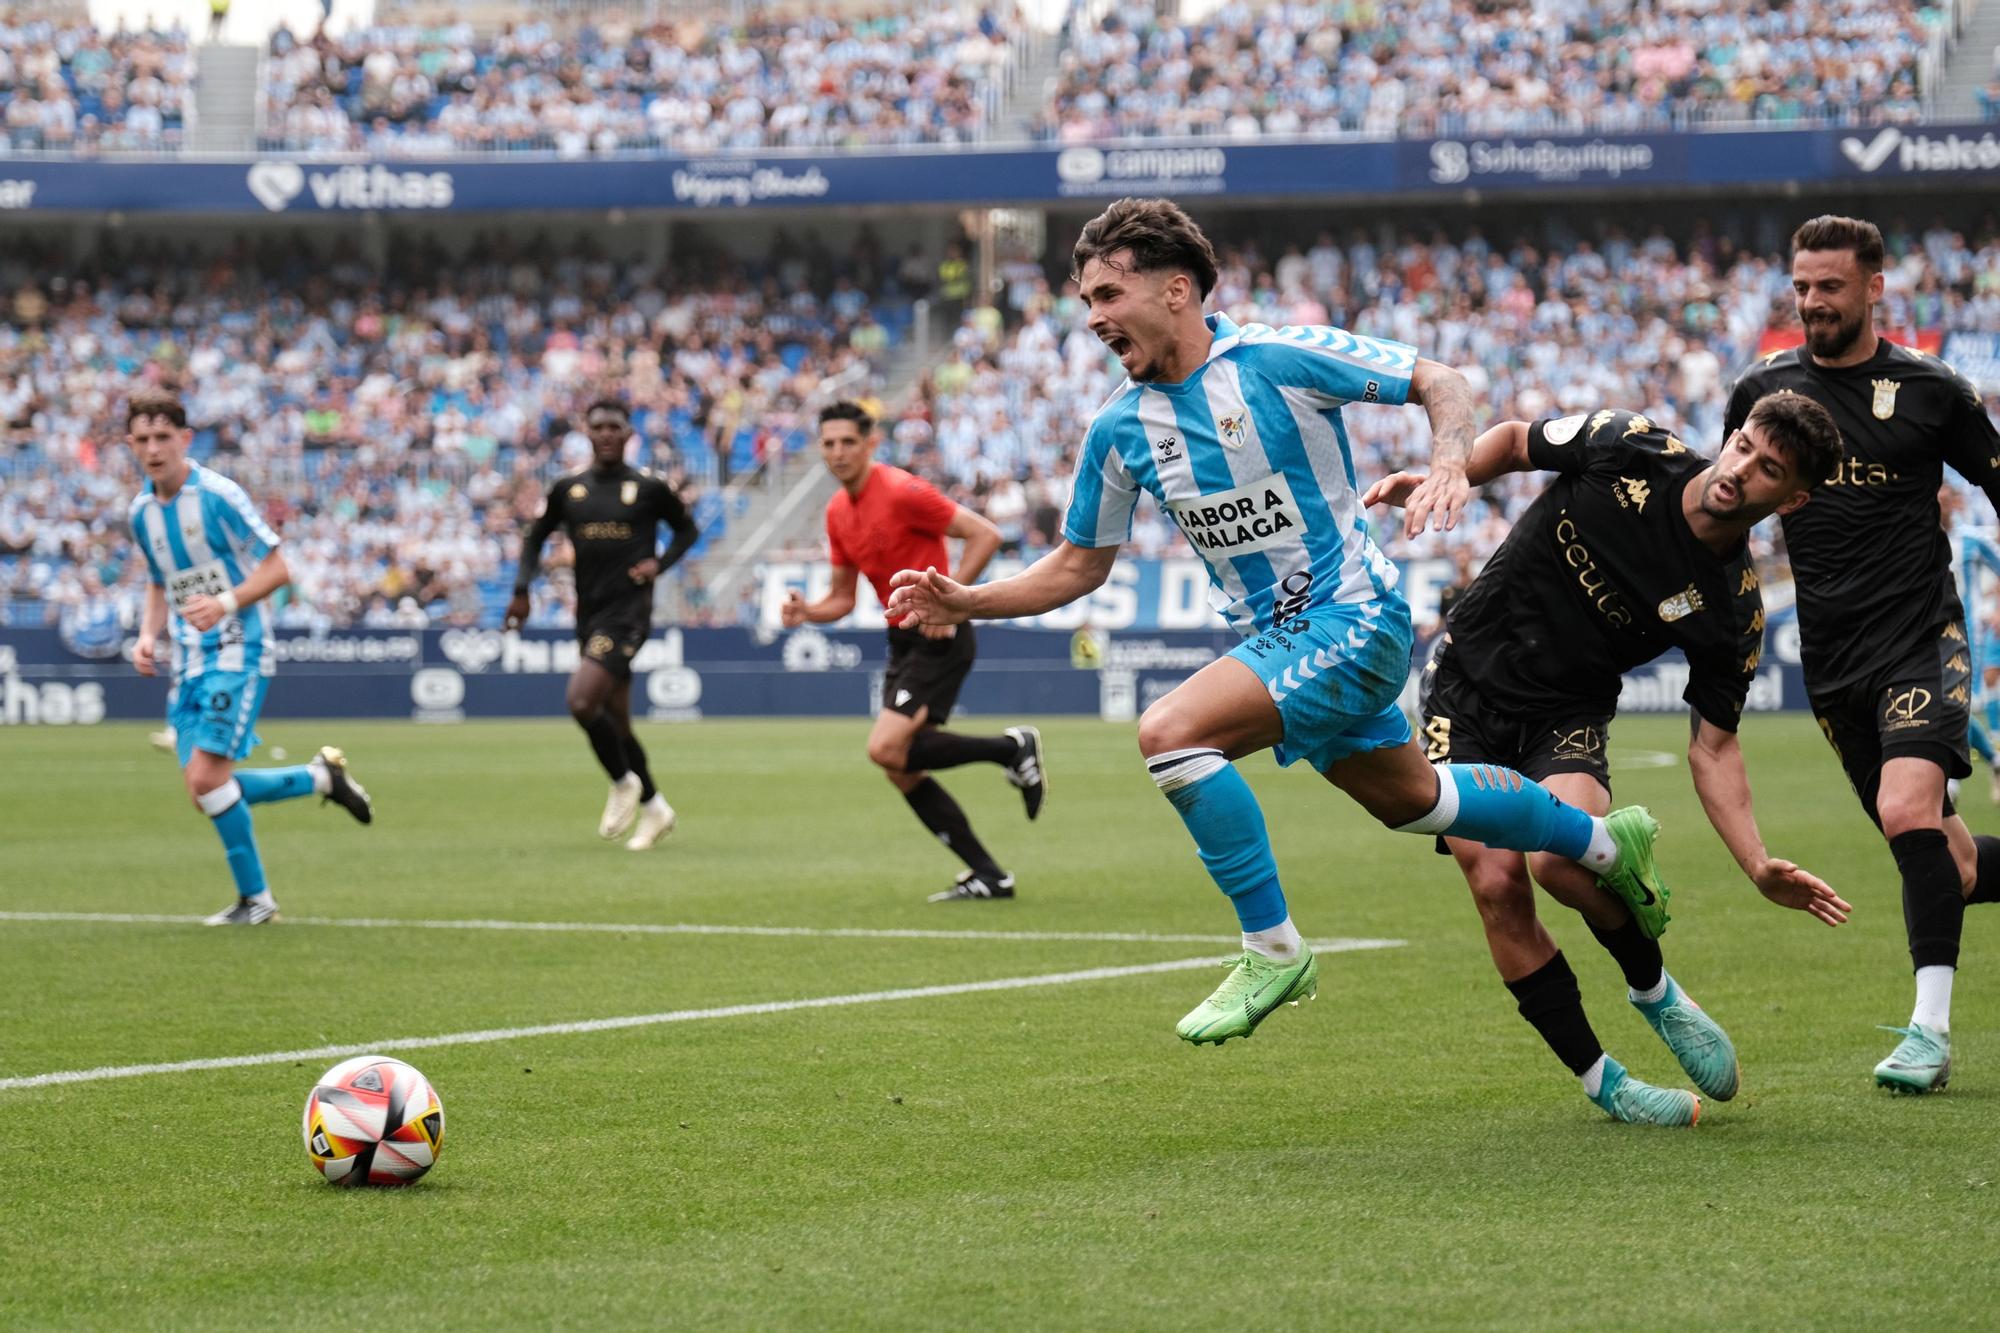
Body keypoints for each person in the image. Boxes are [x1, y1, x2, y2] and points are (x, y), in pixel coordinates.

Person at [888, 197, 1674, 1047]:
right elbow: (1080, 564)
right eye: (1085, 302)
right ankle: (1604, 844)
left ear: (1177, 290)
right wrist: (971, 599)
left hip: (1354, 616)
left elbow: (1439, 381)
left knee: (1172, 733)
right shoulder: (1120, 429)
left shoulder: (1273, 357)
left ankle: (1273, 946)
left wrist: (1450, 461)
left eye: (1109, 294)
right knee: (1424, 802)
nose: (1094, 318)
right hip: (1282, 642)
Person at [1365, 396, 1851, 1124]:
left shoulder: (1731, 609)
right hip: (1463, 687)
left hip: (1566, 711)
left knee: (1563, 860)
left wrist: (1756, 862)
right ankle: (1606, 1083)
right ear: (1732, 436)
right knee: (1498, 881)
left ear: (1794, 497)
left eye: (1768, 469)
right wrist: (1449, 474)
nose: (1742, 469)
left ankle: (1657, 993)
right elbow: (1517, 442)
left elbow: (1714, 746)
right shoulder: (1630, 446)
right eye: (1744, 446)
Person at [1725, 214, 2000, 1092]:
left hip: (1921, 634)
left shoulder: (1931, 391)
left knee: (1907, 809)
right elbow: (1723, 503)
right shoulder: (1765, 392)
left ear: (1874, 287)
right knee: (1949, 863)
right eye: (1802, 287)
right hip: (1832, 662)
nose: (1813, 303)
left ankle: (1929, 1032)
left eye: (1831, 287)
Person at [782, 400, 1046, 902]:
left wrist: (950, 603)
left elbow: (984, 535)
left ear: (871, 443)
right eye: (829, 443)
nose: (838, 452)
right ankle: (990, 875)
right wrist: (806, 613)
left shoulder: (902, 490)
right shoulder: (838, 512)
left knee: (886, 749)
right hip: (902, 638)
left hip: (939, 634)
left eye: (848, 442)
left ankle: (1010, 748)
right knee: (900, 767)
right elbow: (841, 598)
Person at [124, 389, 372, 926]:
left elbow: (279, 568)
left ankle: (257, 901)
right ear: (130, 444)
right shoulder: (141, 512)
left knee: (209, 782)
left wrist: (226, 602)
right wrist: (148, 634)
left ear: (185, 439)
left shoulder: (217, 495)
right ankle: (319, 779)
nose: (153, 448)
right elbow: (156, 580)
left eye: (163, 436)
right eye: (142, 439)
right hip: (187, 661)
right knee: (203, 790)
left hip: (239, 649)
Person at [505, 397, 700, 851]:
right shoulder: (568, 489)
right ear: (587, 433)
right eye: (599, 427)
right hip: (589, 614)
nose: (608, 434)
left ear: (630, 433)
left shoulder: (650, 487)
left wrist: (659, 564)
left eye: (616, 427)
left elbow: (687, 530)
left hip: (628, 616)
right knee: (618, 722)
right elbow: (534, 538)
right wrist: (520, 590)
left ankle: (622, 781)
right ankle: (655, 809)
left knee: (580, 701)